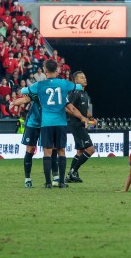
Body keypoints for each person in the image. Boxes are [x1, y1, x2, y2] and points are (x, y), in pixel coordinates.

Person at [13, 59, 83, 188]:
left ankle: (51, 180)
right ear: (56, 70)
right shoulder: (63, 84)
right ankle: (34, 179)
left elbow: (24, 92)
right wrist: (80, 82)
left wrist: (15, 100)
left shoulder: (39, 86)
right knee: (53, 149)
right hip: (41, 122)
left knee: (49, 150)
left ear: (45, 71)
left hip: (47, 122)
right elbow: (78, 87)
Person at [65, 71, 96, 183]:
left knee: (80, 151)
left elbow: (85, 110)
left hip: (81, 124)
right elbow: (68, 108)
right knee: (91, 149)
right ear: (76, 81)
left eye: (85, 77)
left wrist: (91, 118)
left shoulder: (85, 94)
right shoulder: (74, 93)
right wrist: (80, 117)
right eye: (81, 78)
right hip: (76, 124)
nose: (84, 79)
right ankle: (72, 172)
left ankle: (72, 175)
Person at [18, 88, 43, 188]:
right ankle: (27, 179)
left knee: (51, 148)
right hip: (33, 123)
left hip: (47, 123)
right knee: (30, 149)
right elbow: (24, 98)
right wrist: (14, 102)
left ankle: (54, 178)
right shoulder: (38, 94)